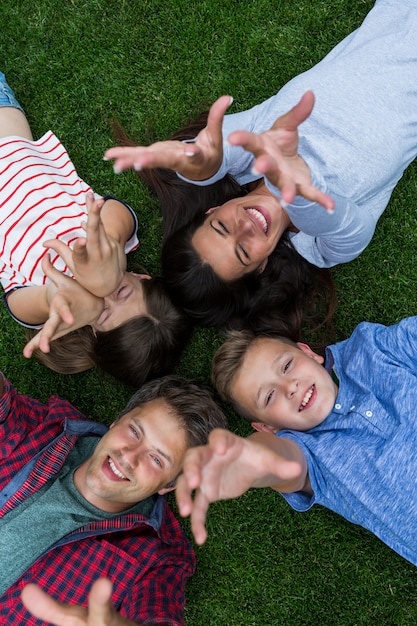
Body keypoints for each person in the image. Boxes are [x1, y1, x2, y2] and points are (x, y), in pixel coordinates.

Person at [105, 0, 417, 335]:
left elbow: (221, 146)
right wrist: (292, 186)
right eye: (242, 252)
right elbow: (351, 228)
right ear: (259, 268)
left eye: (222, 227)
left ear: (213, 210)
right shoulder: (319, 245)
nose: (244, 228)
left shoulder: (249, 156)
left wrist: (198, 164)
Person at [175, 316, 417, 567]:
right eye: (269, 397)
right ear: (268, 427)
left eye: (287, 366)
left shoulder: (371, 349)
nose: (289, 387)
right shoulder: (308, 452)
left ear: (309, 353)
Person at [0, 71, 191, 387]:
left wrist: (54, 296)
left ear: (91, 330)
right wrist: (111, 249)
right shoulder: (110, 239)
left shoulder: (49, 301)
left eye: (102, 313)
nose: (104, 296)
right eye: (122, 291)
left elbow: (22, 306)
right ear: (142, 278)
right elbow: (118, 218)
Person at [0, 372, 227, 625]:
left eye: (156, 459)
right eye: (134, 432)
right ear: (117, 420)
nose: (129, 457)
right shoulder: (45, 427)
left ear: (171, 485)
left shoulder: (157, 560)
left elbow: (156, 613)